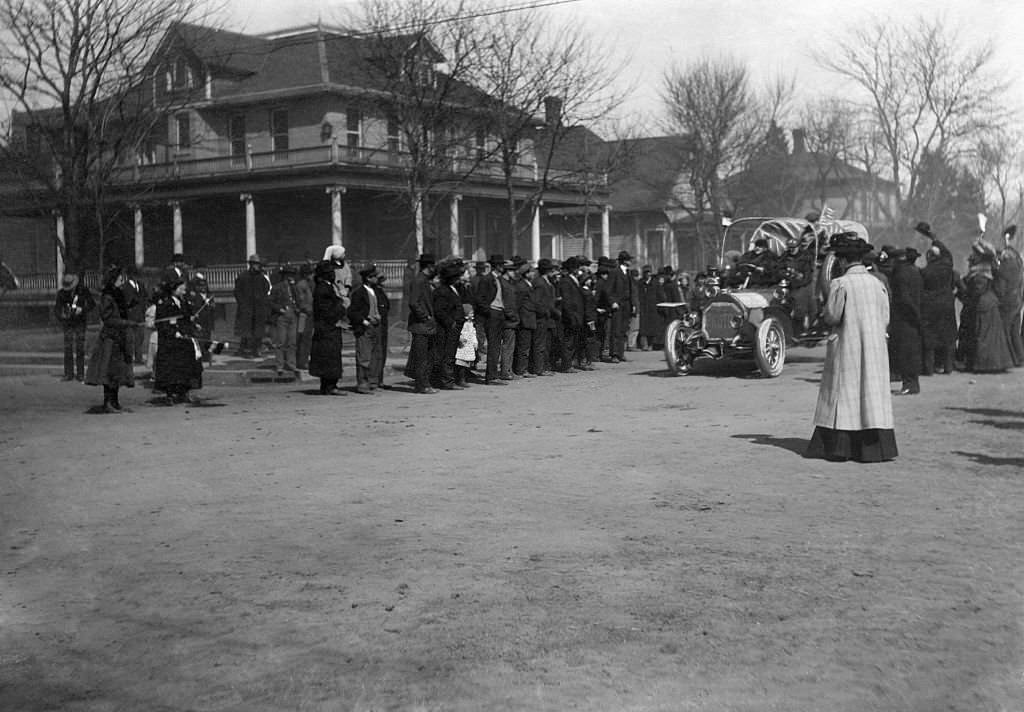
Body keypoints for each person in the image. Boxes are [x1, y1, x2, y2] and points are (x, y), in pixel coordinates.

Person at [806, 233, 897, 463]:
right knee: (871, 394)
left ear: (843, 261)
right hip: (875, 346)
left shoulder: (840, 284)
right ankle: (874, 448)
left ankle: (841, 448)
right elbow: (885, 316)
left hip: (848, 345)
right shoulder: (878, 284)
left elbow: (833, 316)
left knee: (844, 393)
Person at [84, 264, 139, 413]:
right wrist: (128, 323)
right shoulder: (107, 296)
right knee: (109, 372)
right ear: (114, 279)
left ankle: (115, 402)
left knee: (118, 372)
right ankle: (107, 402)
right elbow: (108, 319)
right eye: (120, 278)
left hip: (119, 337)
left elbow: (121, 312)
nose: (123, 280)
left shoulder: (118, 294)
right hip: (110, 338)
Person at [915, 224, 958, 376]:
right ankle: (948, 368)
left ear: (929, 257)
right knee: (947, 337)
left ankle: (929, 369)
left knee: (930, 339)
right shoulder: (947, 266)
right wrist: (934, 239)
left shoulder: (925, 272)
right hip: (947, 304)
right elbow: (947, 254)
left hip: (930, 306)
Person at [153, 275, 203, 404]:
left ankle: (184, 392)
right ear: (174, 289)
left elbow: (186, 318)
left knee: (186, 366)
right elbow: (161, 323)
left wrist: (193, 324)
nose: (184, 291)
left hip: (184, 339)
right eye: (181, 288)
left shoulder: (184, 302)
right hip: (170, 342)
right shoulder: (165, 304)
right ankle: (170, 394)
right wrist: (173, 332)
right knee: (171, 368)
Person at [888, 247, 923, 395]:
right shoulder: (915, 271)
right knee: (912, 351)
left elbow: (903, 298)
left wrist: (912, 314)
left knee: (904, 352)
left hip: (903, 318)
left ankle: (909, 384)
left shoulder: (899, 274)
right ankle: (912, 382)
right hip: (914, 316)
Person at [308, 260, 347, 395]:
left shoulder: (327, 287)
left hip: (327, 328)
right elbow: (326, 311)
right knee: (329, 357)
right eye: (330, 272)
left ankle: (328, 385)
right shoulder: (323, 289)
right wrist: (342, 306)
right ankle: (330, 386)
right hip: (327, 328)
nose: (333, 274)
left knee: (329, 357)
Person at [348, 264, 386, 394]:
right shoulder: (359, 293)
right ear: (369, 278)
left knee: (376, 355)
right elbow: (352, 312)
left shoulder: (375, 292)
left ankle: (373, 382)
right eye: (374, 276)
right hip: (365, 327)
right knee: (364, 356)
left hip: (376, 326)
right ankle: (362, 383)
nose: (377, 279)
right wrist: (364, 321)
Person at [431, 259, 468, 390]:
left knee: (450, 354)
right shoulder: (442, 291)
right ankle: (447, 381)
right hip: (447, 328)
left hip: (454, 326)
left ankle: (446, 380)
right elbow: (439, 310)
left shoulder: (452, 289)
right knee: (447, 355)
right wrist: (450, 323)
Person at [407, 252, 438, 394]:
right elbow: (413, 303)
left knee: (428, 356)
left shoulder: (425, 280)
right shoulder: (419, 281)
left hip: (427, 326)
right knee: (421, 358)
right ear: (429, 266)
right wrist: (425, 317)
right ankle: (421, 385)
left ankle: (425, 383)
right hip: (421, 326)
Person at [55, 271, 95, 381]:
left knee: (80, 348)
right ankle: (68, 373)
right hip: (68, 323)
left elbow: (92, 304)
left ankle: (81, 373)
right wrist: (62, 315)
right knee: (68, 348)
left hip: (80, 322)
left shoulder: (83, 291)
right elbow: (57, 309)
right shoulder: (61, 294)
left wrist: (82, 310)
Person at [994, 224, 1024, 366]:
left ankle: (1011, 359)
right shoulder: (1018, 260)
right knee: (1014, 331)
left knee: (1005, 329)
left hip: (1009, 301)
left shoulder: (1006, 264)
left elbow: (1002, 286)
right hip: (1018, 299)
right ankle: (1020, 357)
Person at [233, 254, 271, 358]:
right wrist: (243, 304)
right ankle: (246, 351)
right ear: (251, 264)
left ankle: (256, 350)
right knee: (247, 331)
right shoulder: (243, 276)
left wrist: (261, 300)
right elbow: (237, 292)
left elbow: (266, 289)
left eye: (259, 264)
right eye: (256, 264)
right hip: (247, 309)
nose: (258, 266)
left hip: (258, 309)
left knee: (258, 331)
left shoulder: (261, 277)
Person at [268, 264, 301, 378]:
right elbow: (271, 302)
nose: (290, 277)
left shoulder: (294, 287)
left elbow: (298, 300)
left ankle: (291, 364)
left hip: (293, 315)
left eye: (292, 275)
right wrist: (280, 309)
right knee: (281, 341)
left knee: (292, 342)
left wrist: (297, 308)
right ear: (284, 276)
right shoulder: (277, 287)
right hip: (282, 316)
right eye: (289, 275)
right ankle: (280, 365)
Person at [607, 250, 635, 362]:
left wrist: (633, 304)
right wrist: (612, 302)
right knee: (616, 329)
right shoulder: (614, 272)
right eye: (629, 260)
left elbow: (632, 290)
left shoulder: (628, 273)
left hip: (627, 304)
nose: (630, 262)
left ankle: (621, 353)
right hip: (617, 305)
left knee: (624, 329)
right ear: (624, 261)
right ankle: (614, 354)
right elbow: (608, 289)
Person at [187, 271, 217, 365]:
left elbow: (213, 306)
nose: (203, 288)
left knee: (207, 337)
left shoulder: (209, 295)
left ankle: (206, 356)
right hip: (200, 320)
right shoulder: (194, 297)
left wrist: (211, 304)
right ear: (197, 287)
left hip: (208, 320)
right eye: (200, 286)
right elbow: (193, 308)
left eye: (204, 286)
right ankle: (199, 356)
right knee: (199, 338)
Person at [294, 262, 315, 374]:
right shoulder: (301, 285)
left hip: (310, 314)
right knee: (303, 338)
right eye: (311, 273)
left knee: (307, 338)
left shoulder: (309, 284)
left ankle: (304, 359)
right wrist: (308, 309)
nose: (312, 275)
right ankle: (302, 361)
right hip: (304, 315)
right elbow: (301, 301)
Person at [636, 265, 662, 351]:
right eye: (646, 272)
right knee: (643, 327)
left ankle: (651, 344)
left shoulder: (655, 283)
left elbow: (660, 295)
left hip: (653, 307)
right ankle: (644, 345)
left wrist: (660, 305)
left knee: (652, 327)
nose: (647, 274)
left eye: (649, 272)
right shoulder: (640, 283)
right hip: (643, 307)